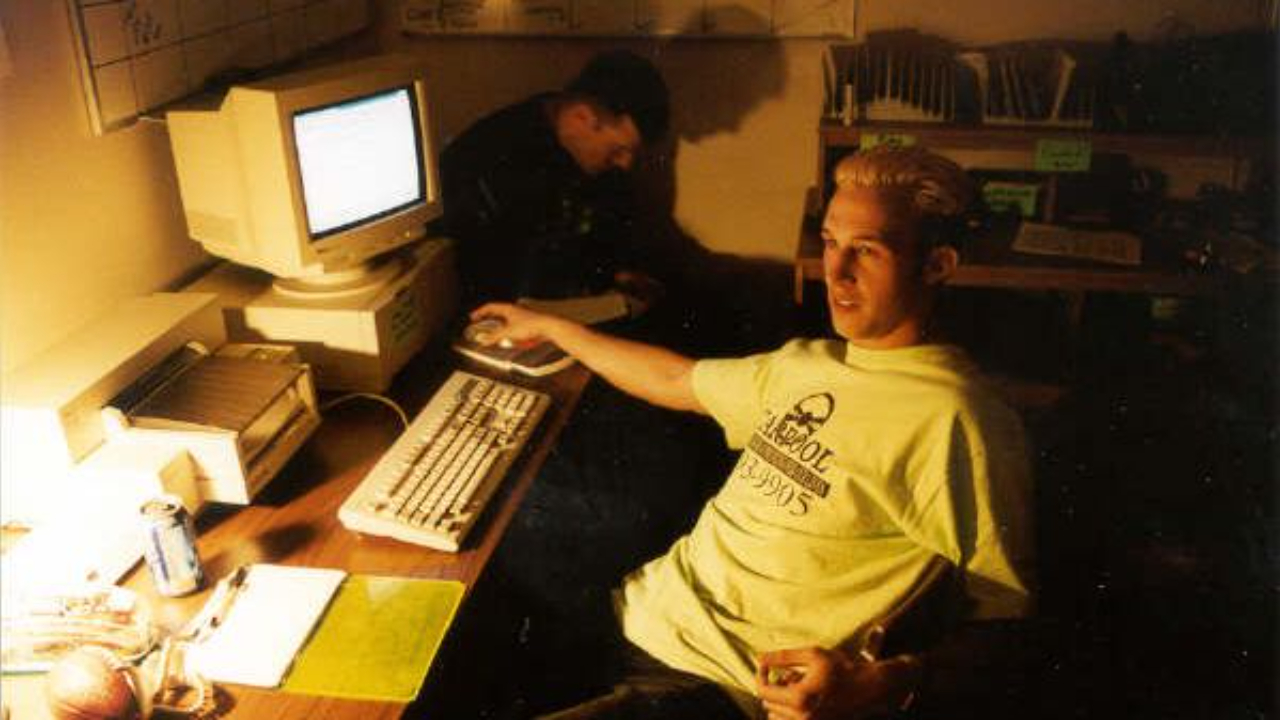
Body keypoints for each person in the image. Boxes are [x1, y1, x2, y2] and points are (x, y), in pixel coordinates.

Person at [469, 145, 1036, 719]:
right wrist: (551, 327)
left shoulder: (957, 417)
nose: (836, 272)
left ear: (937, 265)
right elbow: (676, 379)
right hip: (638, 611)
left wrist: (883, 681)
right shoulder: (808, 362)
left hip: (718, 685)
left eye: (866, 250)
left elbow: (1005, 625)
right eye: (831, 243)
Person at [439, 49, 670, 309]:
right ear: (581, 117)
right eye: (618, 150)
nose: (625, 163)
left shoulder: (596, 163)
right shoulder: (493, 159)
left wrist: (614, 275)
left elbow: (607, 237)